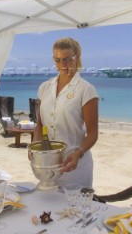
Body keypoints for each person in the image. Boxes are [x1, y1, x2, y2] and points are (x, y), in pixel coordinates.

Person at [32, 37, 98, 187]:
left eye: (67, 59)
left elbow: (93, 134)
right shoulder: (45, 88)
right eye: (57, 60)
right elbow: (40, 125)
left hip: (75, 167)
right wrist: (35, 147)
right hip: (48, 166)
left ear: (77, 57)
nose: (62, 65)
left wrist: (78, 153)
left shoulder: (86, 89)